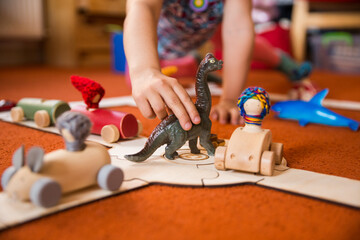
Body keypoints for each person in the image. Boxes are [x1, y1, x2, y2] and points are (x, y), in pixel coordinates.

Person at [124, 0, 313, 129]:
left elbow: (238, 31)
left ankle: (279, 60)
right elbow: (142, 7)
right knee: (141, 80)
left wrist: (230, 99)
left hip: (211, 26)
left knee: (247, 45)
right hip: (162, 38)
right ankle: (195, 63)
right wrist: (144, 71)